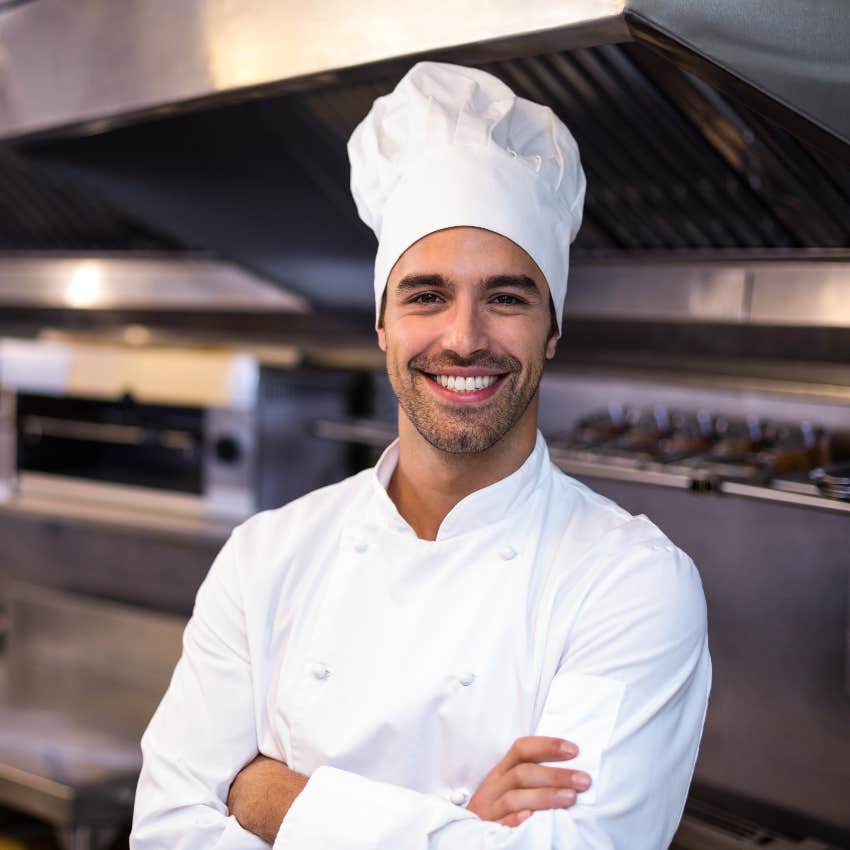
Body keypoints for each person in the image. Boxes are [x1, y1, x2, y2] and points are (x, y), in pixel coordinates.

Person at [130, 61, 711, 850]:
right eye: (426, 295)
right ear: (382, 325)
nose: (464, 337)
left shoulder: (631, 583)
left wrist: (265, 797)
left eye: (506, 297)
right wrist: (463, 830)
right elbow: (166, 832)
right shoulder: (267, 559)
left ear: (552, 331)